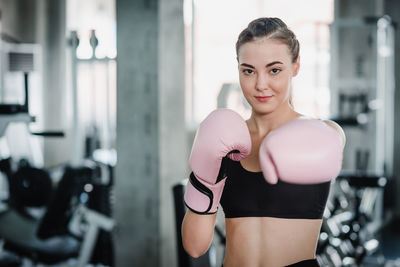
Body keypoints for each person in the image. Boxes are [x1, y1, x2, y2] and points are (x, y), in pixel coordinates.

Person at [181, 17, 346, 267]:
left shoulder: (321, 134)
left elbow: (336, 138)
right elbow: (194, 247)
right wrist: (204, 178)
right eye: (249, 71)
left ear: (296, 66)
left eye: (274, 70)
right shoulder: (224, 140)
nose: (260, 85)